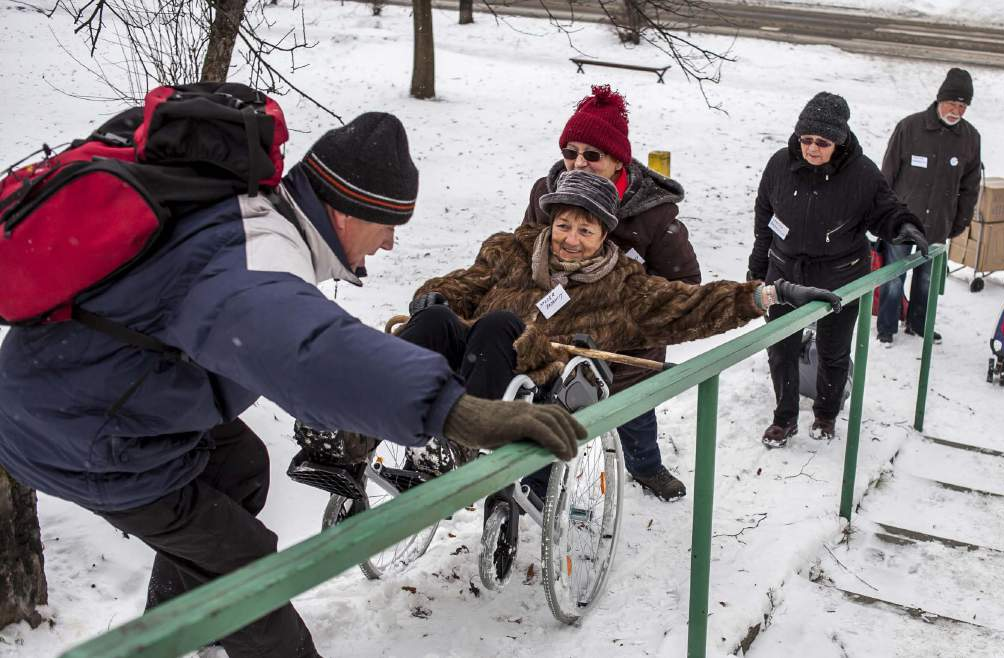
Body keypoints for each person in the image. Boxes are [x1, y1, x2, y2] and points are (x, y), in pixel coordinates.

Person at [0, 113, 585, 658]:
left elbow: (297, 330)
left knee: (241, 464)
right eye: (389, 225)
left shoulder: (256, 215)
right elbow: (310, 349)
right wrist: (456, 411)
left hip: (86, 386)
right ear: (348, 210)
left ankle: (181, 626)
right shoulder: (262, 253)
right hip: (85, 432)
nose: (389, 244)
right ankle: (190, 634)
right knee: (247, 565)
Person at [411, 170, 842, 487]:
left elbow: (689, 304)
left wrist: (768, 294)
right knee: (432, 319)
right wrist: (434, 295)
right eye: (563, 225)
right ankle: (355, 437)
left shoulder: (622, 285)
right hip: (472, 356)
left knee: (499, 325)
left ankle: (463, 441)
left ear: (604, 235)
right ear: (550, 222)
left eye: (585, 230)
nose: (571, 239)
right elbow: (467, 283)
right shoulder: (512, 249)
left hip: (536, 379)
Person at [521, 84, 699, 502]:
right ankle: (540, 488)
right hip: (560, 333)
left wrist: (630, 313)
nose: (578, 163)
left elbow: (685, 287)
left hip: (627, 349)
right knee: (549, 410)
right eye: (570, 152)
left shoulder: (652, 213)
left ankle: (646, 466)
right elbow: (522, 254)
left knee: (634, 412)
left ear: (619, 159)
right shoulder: (545, 193)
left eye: (592, 155)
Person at [750, 92, 928, 447]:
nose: (812, 149)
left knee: (833, 350)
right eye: (806, 140)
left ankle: (826, 413)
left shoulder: (861, 174)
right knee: (780, 348)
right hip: (785, 273)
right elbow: (764, 219)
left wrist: (905, 227)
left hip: (840, 277)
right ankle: (784, 418)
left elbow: (886, 210)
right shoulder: (779, 165)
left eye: (822, 142)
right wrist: (758, 266)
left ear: (839, 141)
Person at [878, 67, 982, 345]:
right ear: (939, 99)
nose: (956, 111)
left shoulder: (970, 138)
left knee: (926, 281)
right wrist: (881, 214)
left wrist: (960, 221)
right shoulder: (910, 127)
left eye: (962, 106)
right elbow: (886, 175)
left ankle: (918, 324)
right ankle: (886, 328)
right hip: (901, 222)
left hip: (937, 224)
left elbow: (970, 186)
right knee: (893, 277)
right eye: (952, 103)